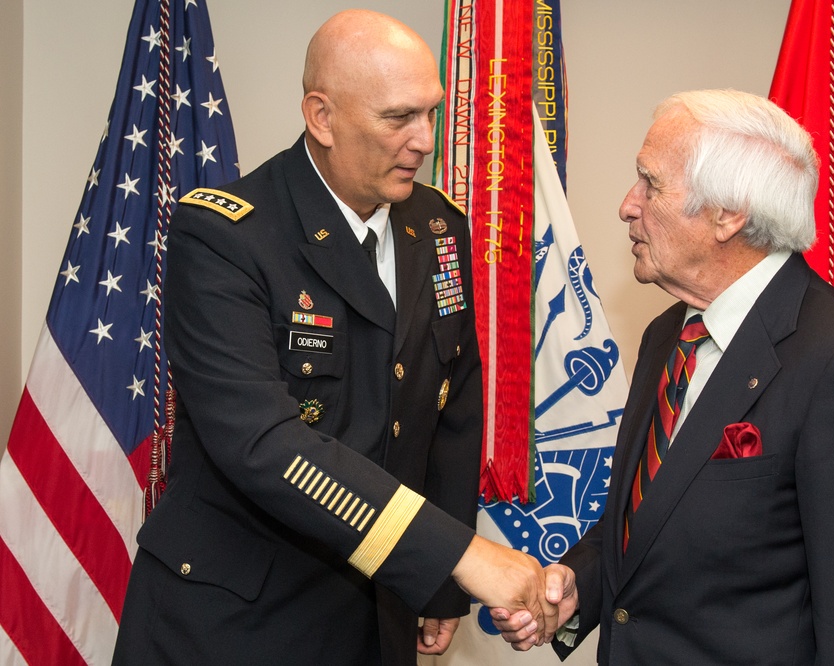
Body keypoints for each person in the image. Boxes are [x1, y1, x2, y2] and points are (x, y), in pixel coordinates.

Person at [113, 10, 555, 665]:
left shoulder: (437, 227)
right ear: (322, 117)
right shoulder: (225, 237)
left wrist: (436, 586)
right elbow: (266, 445)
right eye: (399, 117)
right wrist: (458, 555)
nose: (424, 141)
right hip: (236, 619)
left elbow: (453, 404)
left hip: (375, 610)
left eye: (431, 114)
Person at [492, 89, 834, 663]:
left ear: (728, 214)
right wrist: (579, 587)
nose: (628, 205)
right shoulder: (667, 335)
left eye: (650, 183)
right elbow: (644, 523)